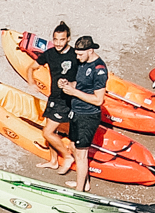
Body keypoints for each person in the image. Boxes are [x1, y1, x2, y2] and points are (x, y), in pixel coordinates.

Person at [57, 38, 109, 192]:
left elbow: (98, 100)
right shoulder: (83, 63)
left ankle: (80, 190)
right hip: (76, 112)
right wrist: (67, 84)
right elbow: (79, 85)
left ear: (90, 51)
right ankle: (84, 183)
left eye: (80, 54)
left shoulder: (99, 70)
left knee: (81, 154)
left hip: (88, 116)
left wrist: (74, 92)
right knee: (73, 146)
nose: (77, 57)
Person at [30, 21, 79, 172]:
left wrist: (72, 85)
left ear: (68, 38)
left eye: (62, 39)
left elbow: (82, 78)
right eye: (55, 40)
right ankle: (53, 161)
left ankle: (67, 156)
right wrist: (31, 82)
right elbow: (31, 67)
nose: (58, 43)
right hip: (53, 97)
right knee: (52, 131)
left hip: (66, 100)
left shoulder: (74, 56)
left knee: (47, 132)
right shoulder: (50, 54)